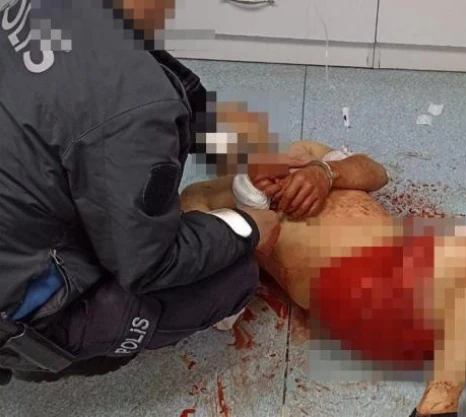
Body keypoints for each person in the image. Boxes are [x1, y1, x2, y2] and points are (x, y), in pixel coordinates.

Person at [181, 139, 466, 417]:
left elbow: (376, 173)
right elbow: (195, 249)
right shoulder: (213, 193)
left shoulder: (306, 152)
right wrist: (248, 197)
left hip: (426, 279)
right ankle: (440, 400)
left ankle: (433, 411)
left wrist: (325, 172)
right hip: (355, 287)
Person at [0, 0, 284, 383]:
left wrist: (239, 151)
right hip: (13, 310)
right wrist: (248, 227)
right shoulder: (132, 103)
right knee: (235, 278)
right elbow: (150, 265)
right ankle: (37, 352)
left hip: (15, 236)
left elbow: (150, 80)